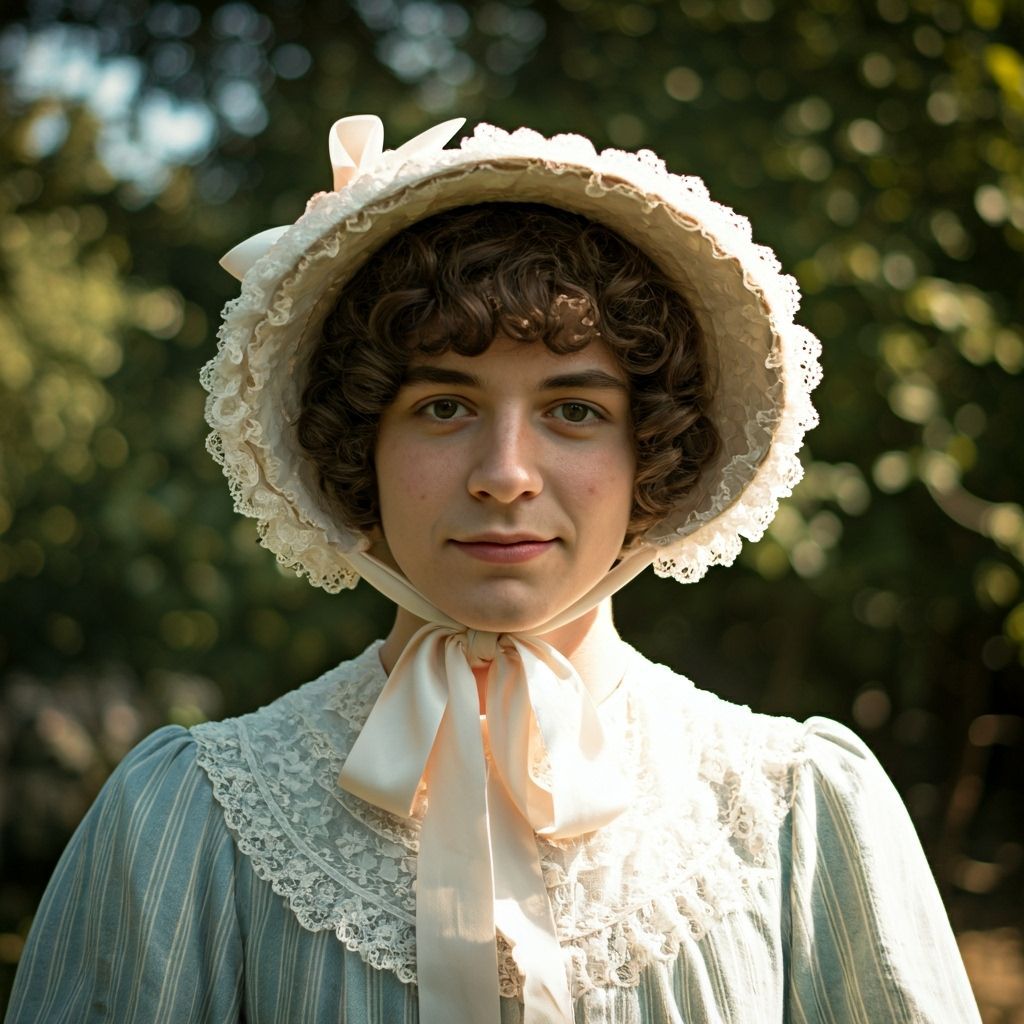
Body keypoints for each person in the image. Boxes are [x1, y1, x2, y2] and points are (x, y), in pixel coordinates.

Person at [6, 115, 981, 1024]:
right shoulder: (189, 824)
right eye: (443, 406)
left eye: (574, 410)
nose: (505, 474)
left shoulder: (795, 813)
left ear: (653, 453)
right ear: (356, 446)